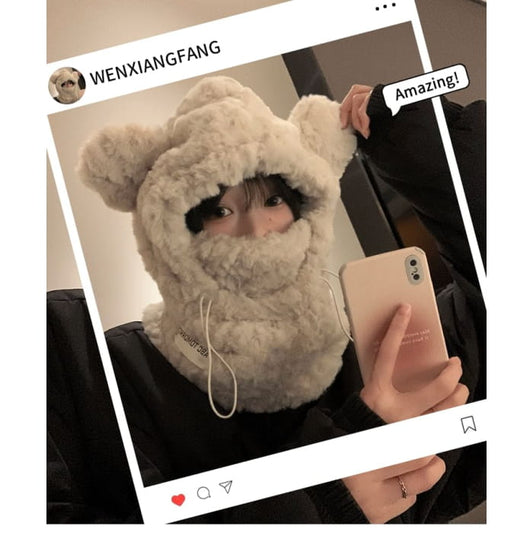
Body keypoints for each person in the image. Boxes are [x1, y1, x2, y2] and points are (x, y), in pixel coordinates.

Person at [47, 77, 485, 523]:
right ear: (174, 230)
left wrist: (420, 142)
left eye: (273, 200)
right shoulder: (87, 366)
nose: (257, 231)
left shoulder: (376, 362)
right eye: (220, 210)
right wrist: (323, 501)